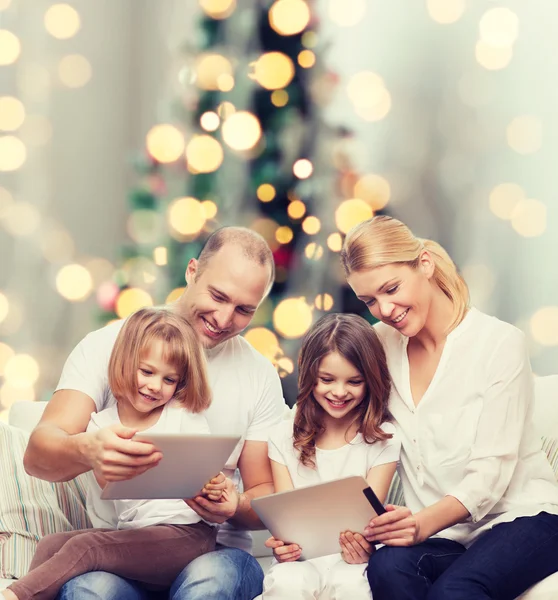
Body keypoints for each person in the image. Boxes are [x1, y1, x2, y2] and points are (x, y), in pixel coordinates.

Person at [23, 227, 286, 600]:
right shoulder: (109, 346)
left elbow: (264, 496)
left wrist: (233, 505)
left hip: (213, 551)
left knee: (211, 581)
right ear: (192, 271)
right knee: (89, 589)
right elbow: (38, 455)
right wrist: (88, 450)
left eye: (244, 310)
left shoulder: (258, 374)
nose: (225, 318)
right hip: (123, 552)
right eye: (218, 296)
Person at [340, 214, 558, 600]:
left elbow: (490, 475)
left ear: (424, 264)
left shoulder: (499, 343)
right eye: (369, 300)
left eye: (391, 289)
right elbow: (338, 423)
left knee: (456, 590)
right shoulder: (379, 345)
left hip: (523, 518)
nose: (385, 309)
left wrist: (420, 524)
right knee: (387, 566)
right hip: (447, 535)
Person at [4, 307, 227, 600]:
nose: (154, 386)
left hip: (187, 535)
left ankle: (13, 596)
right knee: (51, 543)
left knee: (86, 547)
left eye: (169, 380)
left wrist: (216, 486)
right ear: (125, 362)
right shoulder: (101, 425)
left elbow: (206, 475)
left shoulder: (183, 416)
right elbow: (109, 494)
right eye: (146, 371)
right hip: (136, 537)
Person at [262, 313, 401, 599]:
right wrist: (284, 547)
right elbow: (286, 520)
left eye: (354, 381)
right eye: (327, 379)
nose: (339, 392)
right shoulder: (282, 435)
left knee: (352, 586)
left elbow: (368, 523)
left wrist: (362, 548)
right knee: (288, 583)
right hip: (300, 561)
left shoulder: (383, 438)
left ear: (371, 379)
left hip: (353, 561)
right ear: (310, 376)